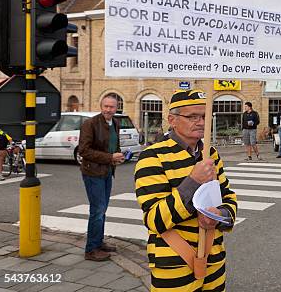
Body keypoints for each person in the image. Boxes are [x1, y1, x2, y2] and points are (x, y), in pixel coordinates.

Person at [135, 90, 237, 291]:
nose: (201, 122)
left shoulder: (210, 153)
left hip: (213, 257)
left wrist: (221, 215)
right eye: (193, 116)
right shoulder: (153, 156)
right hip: (173, 261)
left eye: (205, 116)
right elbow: (155, 220)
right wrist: (192, 181)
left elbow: (228, 197)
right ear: (172, 120)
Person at [79, 94, 124, 261]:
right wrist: (110, 157)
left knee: (102, 209)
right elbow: (84, 151)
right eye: (105, 106)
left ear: (116, 108)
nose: (108, 109)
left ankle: (98, 242)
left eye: (111, 107)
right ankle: (91, 250)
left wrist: (117, 158)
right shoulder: (90, 124)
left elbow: (113, 145)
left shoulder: (116, 123)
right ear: (101, 106)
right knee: (97, 210)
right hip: (92, 173)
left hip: (106, 172)